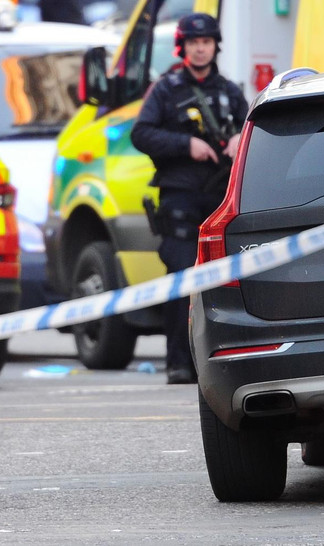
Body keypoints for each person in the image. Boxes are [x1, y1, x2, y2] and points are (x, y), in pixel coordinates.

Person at [130, 13, 248, 385]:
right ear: (183, 47)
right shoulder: (165, 90)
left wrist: (238, 141)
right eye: (194, 43)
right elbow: (141, 134)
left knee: (225, 283)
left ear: (215, 46)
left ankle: (222, 361)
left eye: (207, 42)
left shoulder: (230, 91)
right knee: (181, 282)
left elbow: (254, 132)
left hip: (219, 199)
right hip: (180, 198)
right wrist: (186, 144)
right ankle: (178, 362)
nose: (201, 48)